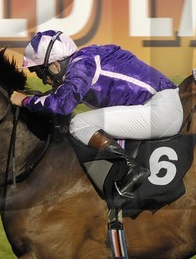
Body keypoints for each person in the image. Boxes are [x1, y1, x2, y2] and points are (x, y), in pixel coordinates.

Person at [11, 29, 183, 199]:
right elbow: (62, 97)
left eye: (40, 72)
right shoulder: (84, 59)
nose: (43, 80)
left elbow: (61, 104)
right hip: (162, 106)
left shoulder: (81, 67)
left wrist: (25, 100)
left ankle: (130, 168)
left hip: (160, 112)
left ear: (55, 66)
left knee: (79, 123)